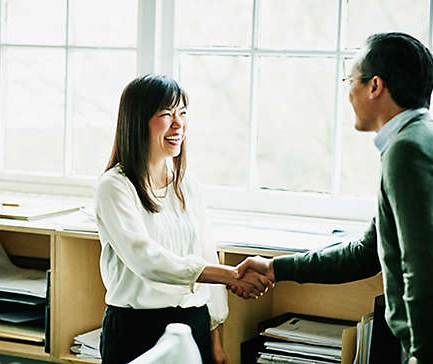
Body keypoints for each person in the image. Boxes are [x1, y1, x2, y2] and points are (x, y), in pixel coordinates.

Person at [233, 32, 433, 364]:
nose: (348, 92)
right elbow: (368, 253)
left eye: (350, 80)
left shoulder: (406, 151)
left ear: (375, 86)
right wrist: (274, 267)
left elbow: (423, 269)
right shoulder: (417, 137)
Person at [94, 74, 269, 364]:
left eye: (183, 113)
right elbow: (146, 260)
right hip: (136, 330)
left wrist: (215, 340)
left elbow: (204, 253)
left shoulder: (188, 185)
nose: (179, 125)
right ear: (137, 121)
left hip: (194, 323)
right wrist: (230, 276)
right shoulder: (114, 186)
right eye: (166, 114)